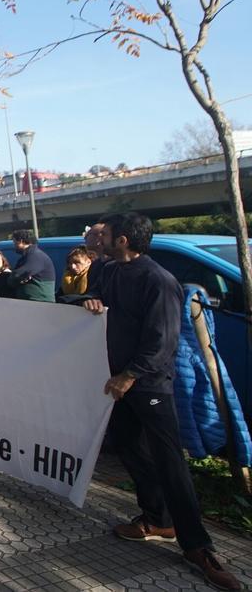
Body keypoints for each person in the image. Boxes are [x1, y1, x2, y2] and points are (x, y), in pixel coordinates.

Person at [83, 212, 241, 591]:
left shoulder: (159, 280)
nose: (97, 237)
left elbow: (161, 340)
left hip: (147, 385)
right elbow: (98, 301)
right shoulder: (107, 271)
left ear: (123, 240)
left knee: (170, 463)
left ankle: (198, 547)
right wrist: (90, 300)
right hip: (117, 383)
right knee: (128, 448)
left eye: (106, 233)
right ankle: (156, 518)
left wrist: (129, 375)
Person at [8, 229, 56, 302]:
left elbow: (17, 274)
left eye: (14, 243)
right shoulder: (27, 257)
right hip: (32, 302)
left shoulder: (35, 256)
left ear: (20, 241)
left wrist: (14, 278)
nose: (14, 246)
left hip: (40, 303)